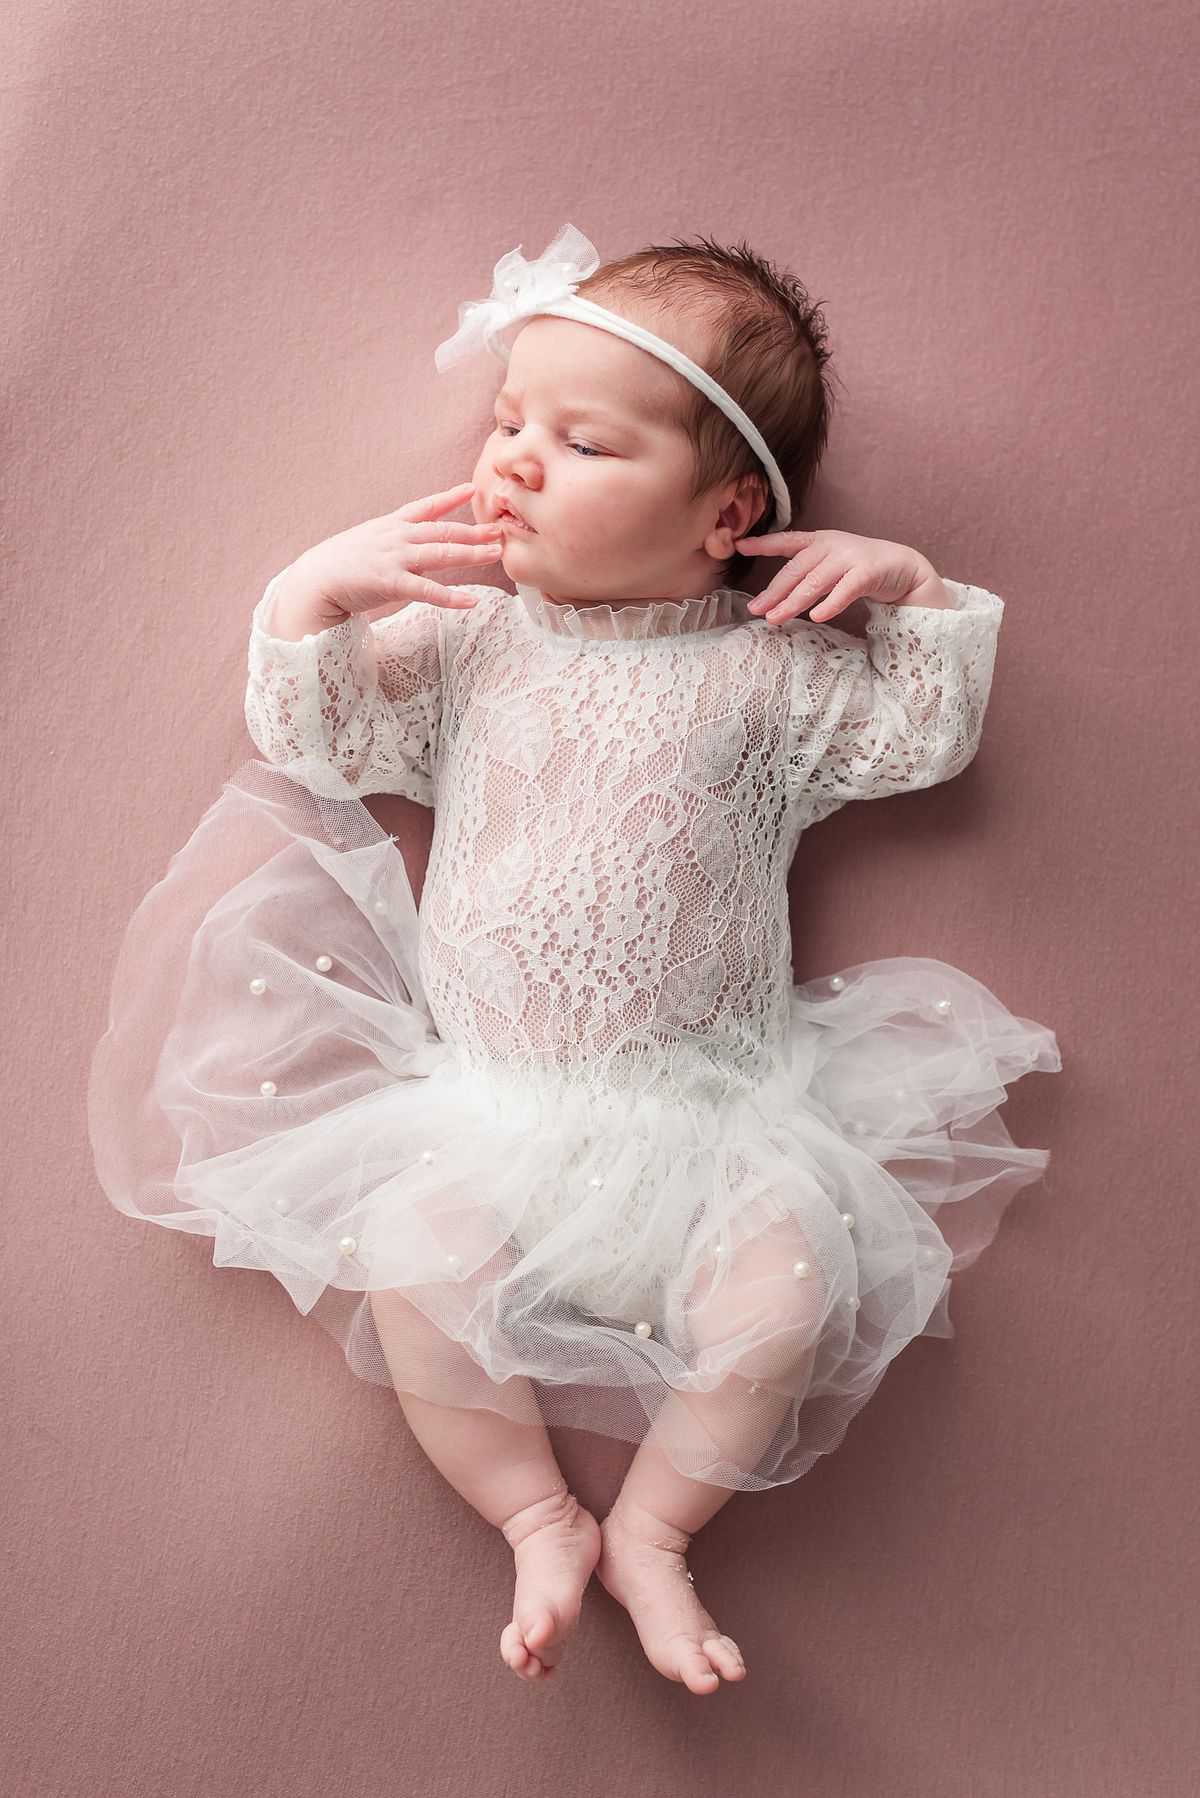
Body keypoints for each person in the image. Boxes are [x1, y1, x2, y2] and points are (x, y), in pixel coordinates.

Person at [87, 223, 1063, 1695]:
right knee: (413, 1261)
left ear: (727, 510)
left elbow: (919, 736)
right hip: (483, 1107)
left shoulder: (775, 674)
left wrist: (909, 586)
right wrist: (311, 594)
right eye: (507, 422)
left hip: (718, 1123)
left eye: (583, 441)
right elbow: (323, 737)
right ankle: (537, 1513)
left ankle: (658, 1528)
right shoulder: (473, 641)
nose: (516, 462)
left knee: (782, 1301)